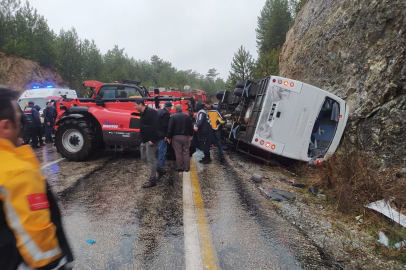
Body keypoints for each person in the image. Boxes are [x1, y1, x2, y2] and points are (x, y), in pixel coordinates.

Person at [0, 86, 74, 270]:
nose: (22, 125)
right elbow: (40, 247)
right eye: (19, 120)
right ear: (6, 126)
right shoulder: (16, 172)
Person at [135, 100, 161, 188]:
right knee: (144, 158)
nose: (135, 107)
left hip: (150, 141)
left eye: (135, 105)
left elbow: (157, 127)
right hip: (144, 140)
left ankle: (152, 180)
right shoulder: (142, 113)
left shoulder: (151, 112)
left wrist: (153, 140)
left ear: (140, 104)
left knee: (151, 160)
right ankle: (160, 169)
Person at [166, 104, 194, 172]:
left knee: (178, 152)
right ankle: (187, 168)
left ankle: (180, 167)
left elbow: (170, 127)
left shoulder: (172, 116)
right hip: (185, 137)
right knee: (186, 152)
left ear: (175, 109)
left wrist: (168, 136)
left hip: (176, 137)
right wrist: (191, 134)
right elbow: (191, 126)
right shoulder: (187, 116)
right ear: (182, 109)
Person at [157, 101, 172, 170]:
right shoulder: (166, 114)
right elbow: (165, 125)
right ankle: (161, 165)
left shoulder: (159, 111)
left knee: (160, 149)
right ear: (170, 107)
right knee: (162, 150)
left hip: (158, 133)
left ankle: (160, 164)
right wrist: (166, 135)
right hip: (162, 134)